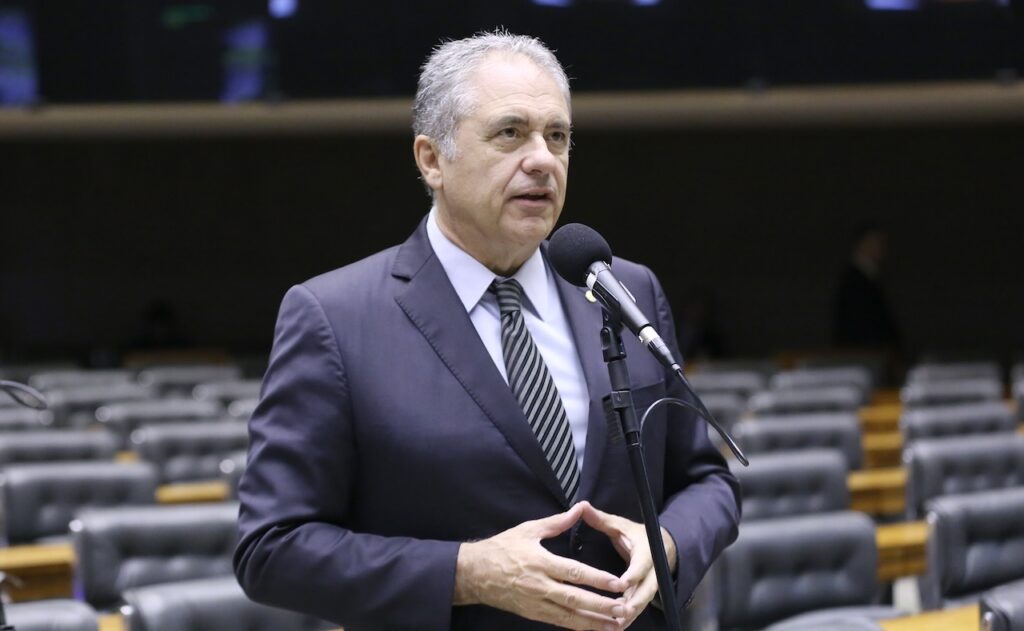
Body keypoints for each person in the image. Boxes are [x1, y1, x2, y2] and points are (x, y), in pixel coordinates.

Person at [234, 30, 740, 631]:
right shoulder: (334, 317)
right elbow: (271, 548)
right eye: (510, 133)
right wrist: (466, 573)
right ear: (432, 159)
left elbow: (706, 482)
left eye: (558, 136)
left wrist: (668, 544)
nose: (543, 159)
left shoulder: (624, 289)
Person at [833, 222, 901, 350]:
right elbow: (861, 325)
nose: (881, 248)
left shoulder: (868, 277)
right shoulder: (854, 280)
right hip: (865, 353)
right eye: (875, 242)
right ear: (861, 244)